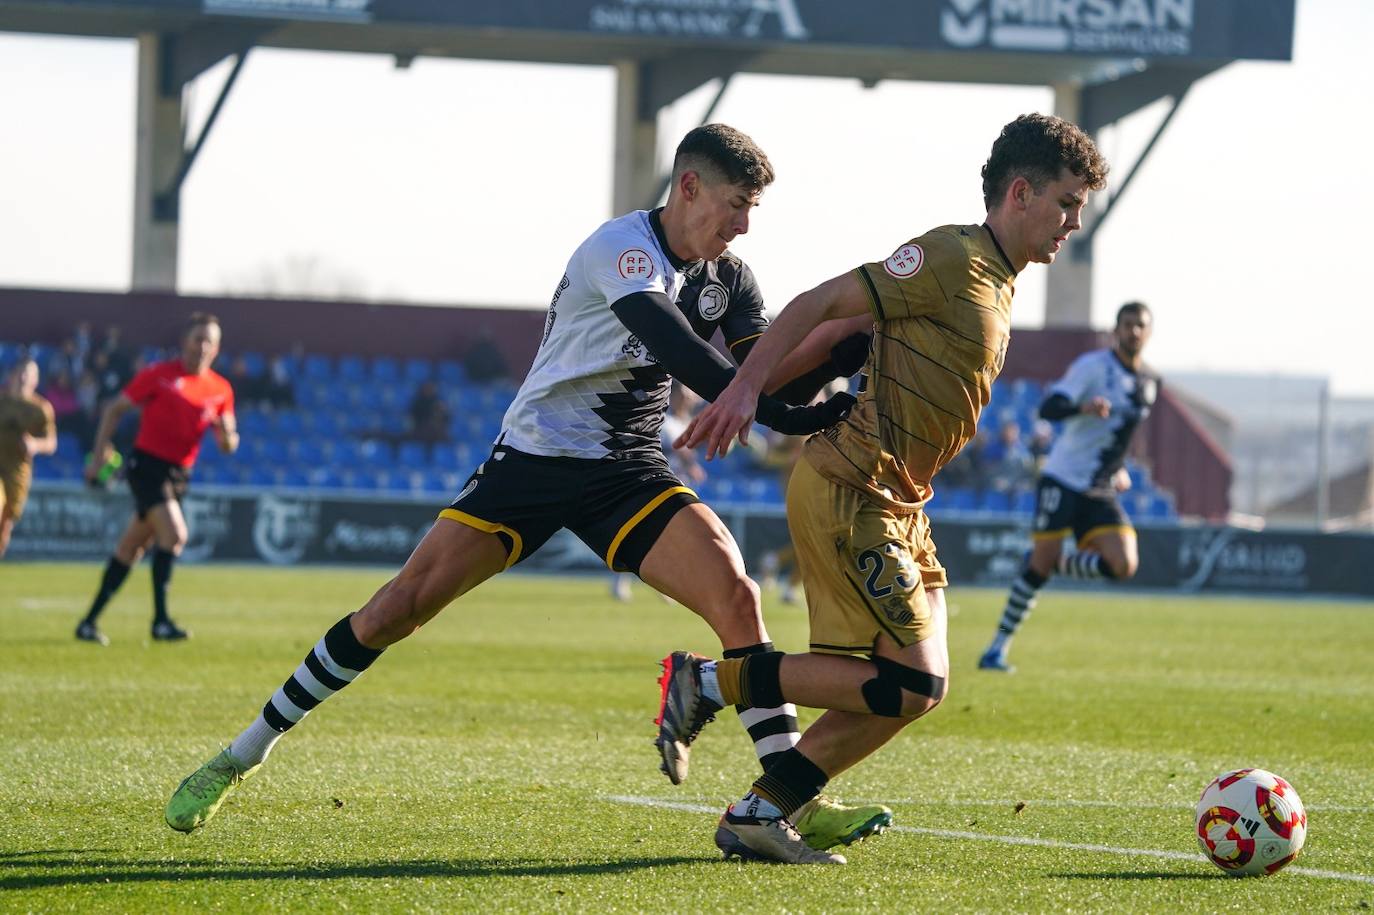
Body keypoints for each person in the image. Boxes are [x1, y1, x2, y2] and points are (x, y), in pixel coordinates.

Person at [162, 124, 878, 851]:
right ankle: (241, 753)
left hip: (625, 469)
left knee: (738, 595)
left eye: (752, 210)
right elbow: (691, 360)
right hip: (533, 461)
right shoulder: (620, 250)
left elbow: (761, 374)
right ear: (687, 186)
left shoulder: (730, 280)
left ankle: (788, 797)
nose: (744, 224)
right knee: (394, 610)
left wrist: (850, 346)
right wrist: (799, 414)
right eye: (735, 204)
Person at [657, 113, 1109, 864]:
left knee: (911, 687)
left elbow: (844, 340)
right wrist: (744, 390)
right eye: (1065, 204)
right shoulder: (949, 255)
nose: (1072, 223)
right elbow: (820, 305)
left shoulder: (997, 278)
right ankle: (708, 681)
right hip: (853, 488)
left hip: (900, 503)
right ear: (1020, 192)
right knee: (912, 680)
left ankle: (762, 810)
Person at [978, 301, 1158, 673]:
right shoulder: (1093, 368)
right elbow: (1050, 408)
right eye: (1127, 324)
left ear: (1149, 332)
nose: (1134, 331)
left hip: (1100, 486)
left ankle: (1051, 561)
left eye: (1140, 326)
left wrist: (1119, 467)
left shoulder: (1147, 384)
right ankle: (996, 649)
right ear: (1116, 329)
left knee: (1123, 564)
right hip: (1062, 478)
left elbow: (1121, 435)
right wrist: (1083, 408)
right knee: (1037, 574)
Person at [74, 313, 238, 646]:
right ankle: (161, 622)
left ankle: (88, 622)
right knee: (175, 534)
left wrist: (227, 436)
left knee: (131, 547)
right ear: (185, 342)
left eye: (210, 341)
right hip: (147, 466)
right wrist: (100, 452)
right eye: (198, 338)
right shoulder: (158, 375)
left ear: (217, 348)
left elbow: (228, 444)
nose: (203, 346)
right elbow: (113, 410)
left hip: (180, 474)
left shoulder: (220, 389)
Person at [0, 358, 58, 559]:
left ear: (36, 380)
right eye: (21, 373)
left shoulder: (40, 409)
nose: (23, 378)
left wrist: (35, 445)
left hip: (17, 471)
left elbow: (51, 443)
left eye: (29, 374)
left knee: (5, 523)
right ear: (12, 375)